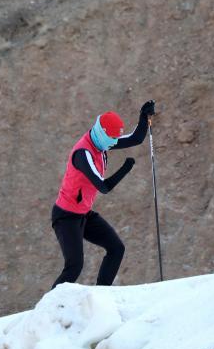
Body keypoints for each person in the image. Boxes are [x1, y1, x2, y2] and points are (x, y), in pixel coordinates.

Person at [51, 100, 156, 289]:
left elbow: (135, 139)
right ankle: (48, 311)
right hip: (66, 217)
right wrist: (125, 169)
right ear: (103, 134)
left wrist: (143, 116)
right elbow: (103, 186)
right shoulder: (83, 154)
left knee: (116, 248)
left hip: (84, 214)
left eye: (116, 140)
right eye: (113, 140)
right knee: (74, 267)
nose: (115, 144)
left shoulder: (101, 143)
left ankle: (102, 295)